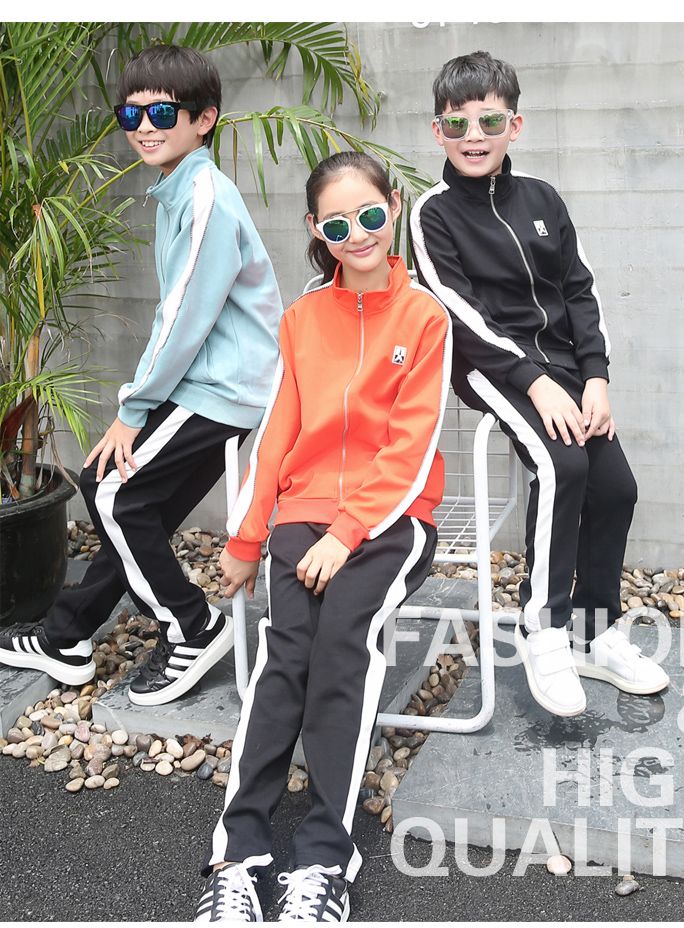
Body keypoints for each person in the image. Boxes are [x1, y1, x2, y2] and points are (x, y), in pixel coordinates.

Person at [194, 151, 451, 923]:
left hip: (392, 521)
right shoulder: (302, 320)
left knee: (343, 642)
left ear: (394, 207)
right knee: (286, 655)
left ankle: (324, 860)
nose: (357, 234)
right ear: (316, 229)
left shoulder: (425, 318)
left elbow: (408, 449)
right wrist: (247, 538)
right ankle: (238, 854)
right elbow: (278, 433)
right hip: (303, 515)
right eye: (337, 224)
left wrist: (346, 533)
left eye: (370, 215)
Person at [0, 45, 282, 707]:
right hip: (206, 383)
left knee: (109, 491)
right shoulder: (178, 187)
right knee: (132, 505)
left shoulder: (205, 197)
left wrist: (134, 407)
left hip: (221, 389)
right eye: (131, 114)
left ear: (205, 118)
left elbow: (183, 315)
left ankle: (192, 625)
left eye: (162, 112)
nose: (144, 127)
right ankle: (68, 635)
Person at [410, 51, 669, 718]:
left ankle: (592, 632)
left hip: (567, 369)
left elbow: (579, 291)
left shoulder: (543, 198)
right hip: (491, 368)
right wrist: (532, 380)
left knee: (616, 487)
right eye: (457, 123)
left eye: (489, 121)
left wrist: (595, 378)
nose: (474, 136)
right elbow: (457, 311)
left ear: (514, 126)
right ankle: (543, 629)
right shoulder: (432, 213)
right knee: (561, 467)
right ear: (438, 131)